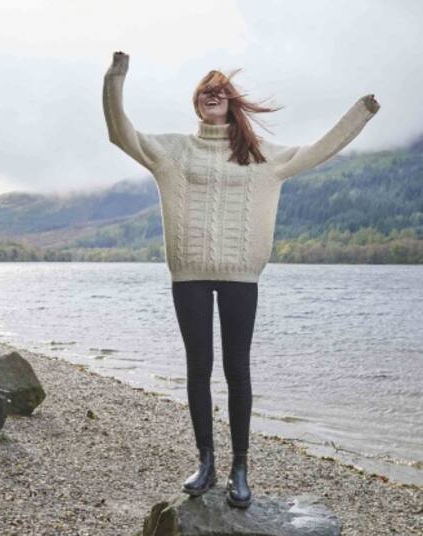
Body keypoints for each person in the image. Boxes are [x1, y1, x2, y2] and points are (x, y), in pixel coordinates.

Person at [102, 51, 380, 508]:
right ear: (197, 104)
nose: (212, 97)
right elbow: (120, 132)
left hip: (241, 277)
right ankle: (206, 462)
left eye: (220, 91)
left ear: (231, 102)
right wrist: (116, 78)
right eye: (205, 92)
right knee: (198, 368)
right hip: (188, 273)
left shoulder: (263, 157)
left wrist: (361, 113)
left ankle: (240, 466)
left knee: (237, 369)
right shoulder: (172, 151)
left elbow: (320, 150)